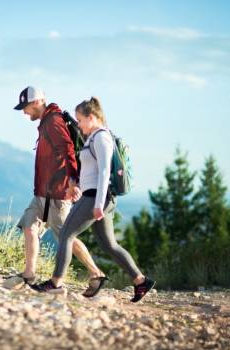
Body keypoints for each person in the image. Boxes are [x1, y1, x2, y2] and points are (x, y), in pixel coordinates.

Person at [32, 97, 156, 302]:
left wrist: (98, 204)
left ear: (91, 117)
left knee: (66, 235)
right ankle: (141, 281)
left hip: (96, 198)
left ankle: (55, 283)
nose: (78, 124)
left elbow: (105, 172)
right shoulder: (93, 138)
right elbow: (92, 170)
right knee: (109, 245)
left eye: (80, 119)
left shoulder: (101, 138)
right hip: (97, 197)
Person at [12, 86, 106, 297]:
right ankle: (29, 274)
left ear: (36, 102)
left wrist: (73, 182)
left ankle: (96, 273)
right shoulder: (46, 122)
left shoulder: (54, 121)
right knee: (29, 225)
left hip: (58, 192)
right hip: (43, 192)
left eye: (25, 107)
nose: (24, 112)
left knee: (65, 236)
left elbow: (67, 150)